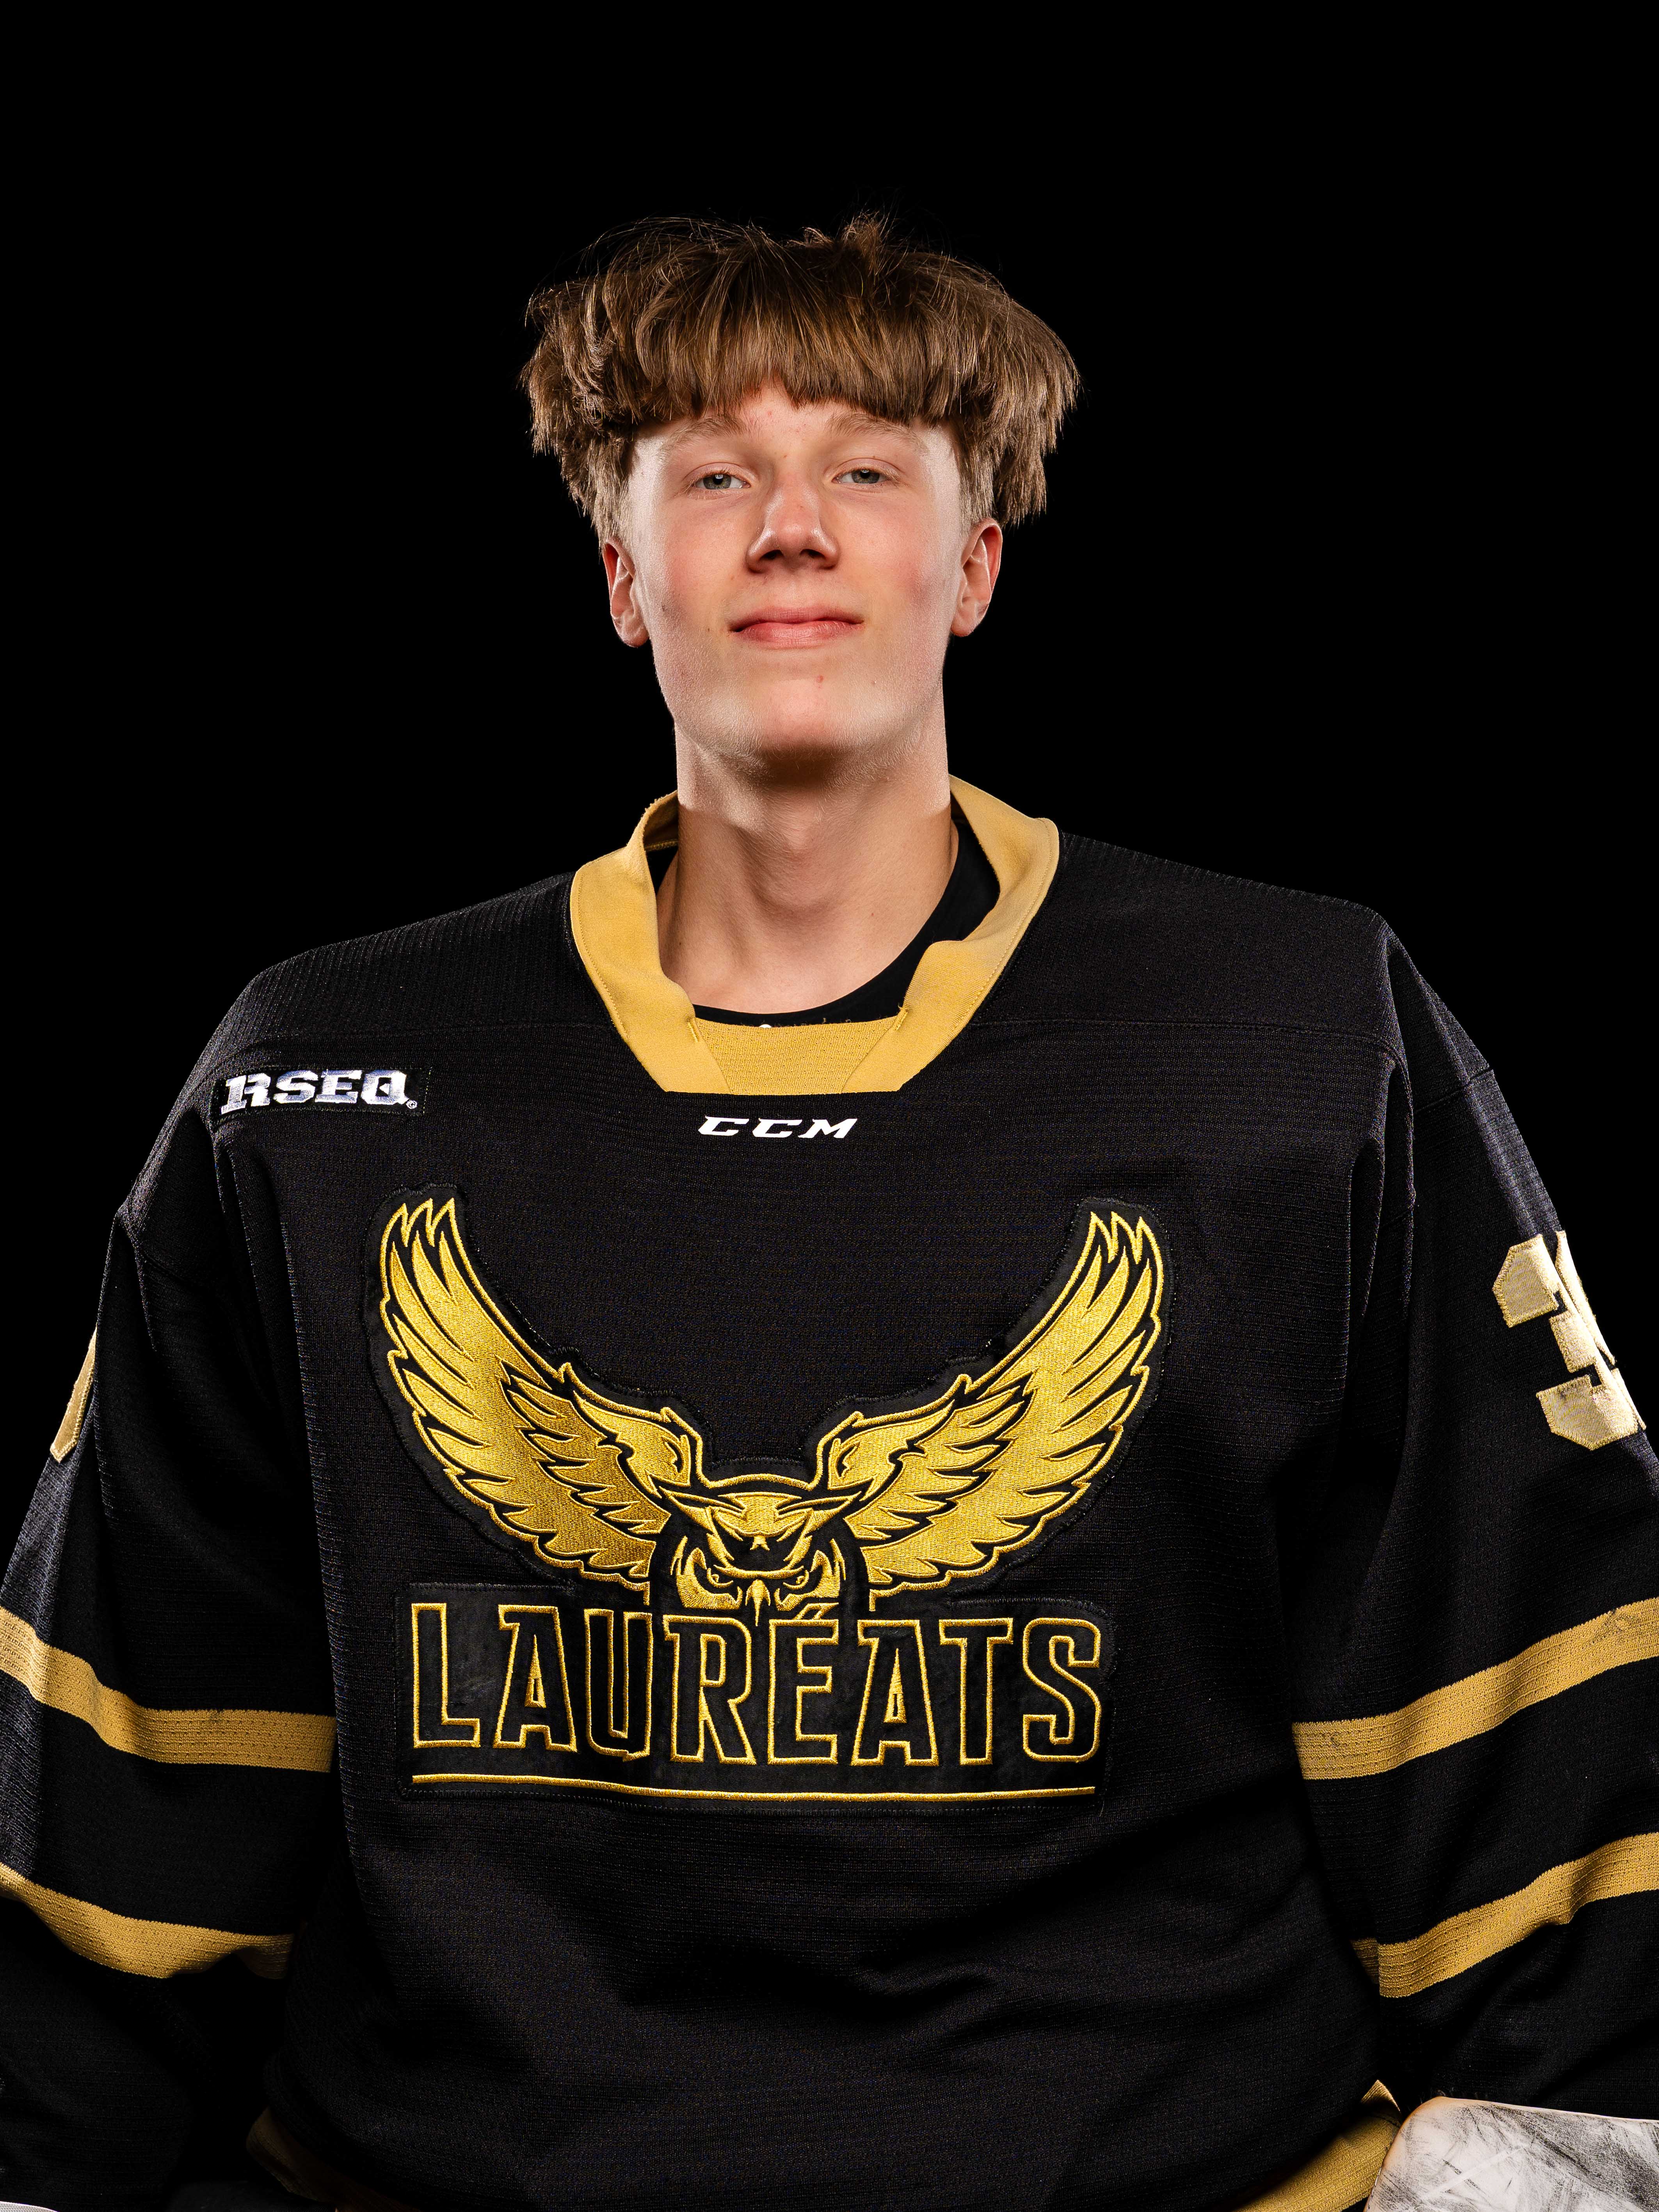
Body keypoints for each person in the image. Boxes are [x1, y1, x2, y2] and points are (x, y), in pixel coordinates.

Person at [2, 214, 1653, 2212]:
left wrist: (1586, 2137)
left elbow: (1520, 1677)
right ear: (624, 575)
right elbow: (144, 1743)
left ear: (974, 560)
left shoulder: (1295, 1035)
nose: (791, 528)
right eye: (714, 474)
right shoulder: (323, 1073)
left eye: (865, 466)